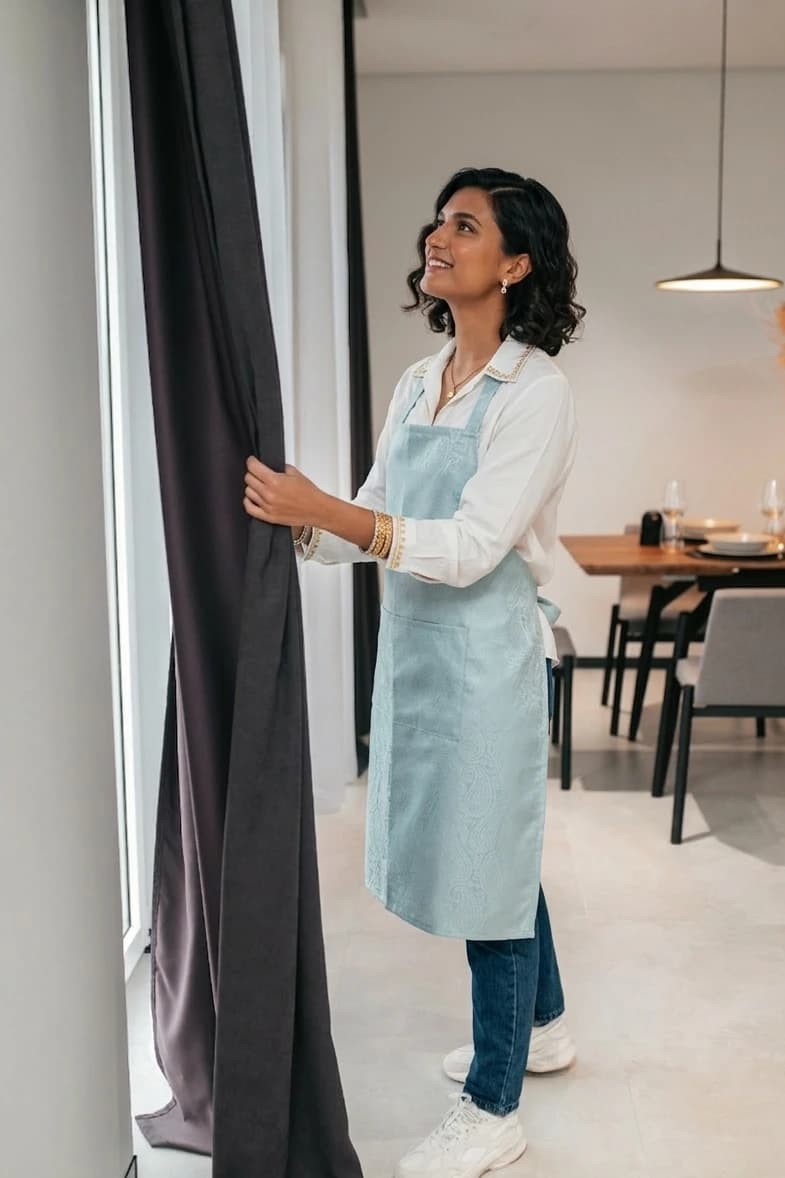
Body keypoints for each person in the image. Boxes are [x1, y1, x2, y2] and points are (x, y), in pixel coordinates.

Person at [243, 166, 584, 1178]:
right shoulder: (414, 377)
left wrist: (330, 512)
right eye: (440, 218)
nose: (440, 235)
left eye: (466, 225)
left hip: (487, 662)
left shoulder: (535, 392)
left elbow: (473, 544)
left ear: (514, 264)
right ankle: (547, 1026)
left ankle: (493, 1104)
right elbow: (375, 508)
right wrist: (301, 527)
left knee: (485, 867)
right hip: (421, 657)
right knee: (496, 846)